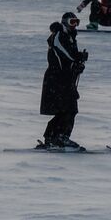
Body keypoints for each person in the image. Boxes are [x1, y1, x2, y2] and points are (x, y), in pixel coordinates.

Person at [38, 12, 87, 150]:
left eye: (77, 22)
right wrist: (77, 58)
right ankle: (60, 137)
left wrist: (77, 66)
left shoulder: (70, 36)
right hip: (57, 78)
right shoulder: (59, 35)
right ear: (65, 22)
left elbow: (69, 59)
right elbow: (65, 53)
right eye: (72, 22)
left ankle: (53, 136)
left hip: (64, 78)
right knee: (69, 108)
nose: (75, 25)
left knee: (66, 109)